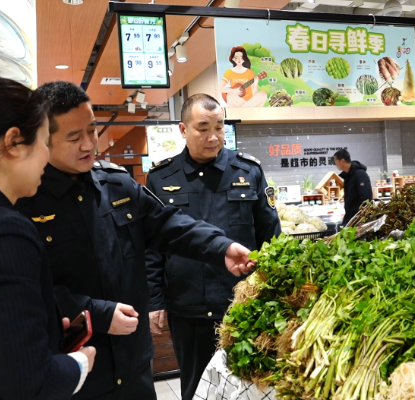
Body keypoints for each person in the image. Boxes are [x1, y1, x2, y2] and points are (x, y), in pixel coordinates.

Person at [16, 81, 256, 400]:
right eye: (74, 137)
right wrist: (98, 315)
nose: (89, 144)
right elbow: (26, 290)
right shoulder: (26, 201)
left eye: (92, 130)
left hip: (134, 366)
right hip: (74, 369)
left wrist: (220, 246)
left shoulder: (117, 186)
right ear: (44, 138)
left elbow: (168, 224)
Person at [0, 76, 95, 399]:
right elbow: (30, 384)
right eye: (43, 141)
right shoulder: (4, 231)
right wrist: (79, 362)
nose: (46, 155)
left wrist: (48, 333)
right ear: (13, 142)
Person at [145, 93, 281, 400]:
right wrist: (155, 301)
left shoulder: (248, 172)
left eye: (219, 127)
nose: (213, 136)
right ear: (183, 129)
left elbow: (271, 237)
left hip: (241, 305)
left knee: (249, 384)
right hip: (187, 305)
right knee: (195, 387)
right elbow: (151, 248)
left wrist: (272, 294)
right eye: (203, 127)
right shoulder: (161, 177)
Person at [334, 149, 372, 226]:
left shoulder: (360, 174)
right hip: (350, 217)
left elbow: (366, 197)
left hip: (359, 219)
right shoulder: (348, 176)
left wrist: (362, 217)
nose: (335, 164)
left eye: (336, 161)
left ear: (342, 161)